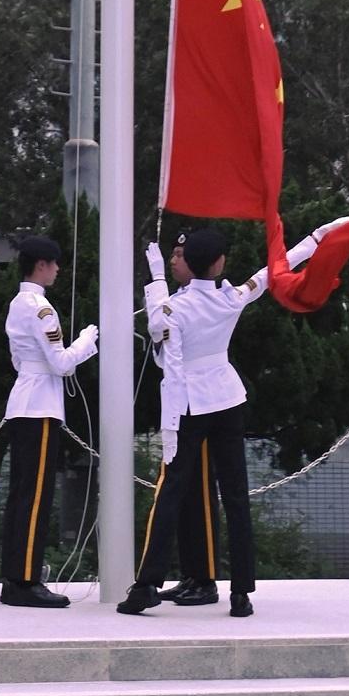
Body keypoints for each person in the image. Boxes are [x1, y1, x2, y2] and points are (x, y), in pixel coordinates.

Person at [119, 215, 349, 620]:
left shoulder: (176, 306)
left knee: (171, 492)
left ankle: (145, 586)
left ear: (191, 263)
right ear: (217, 264)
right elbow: (274, 271)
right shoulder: (232, 297)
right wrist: (318, 236)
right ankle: (241, 594)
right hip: (227, 400)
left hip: (190, 404)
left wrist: (156, 274)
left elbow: (159, 326)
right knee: (235, 497)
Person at [0, 235, 97, 607]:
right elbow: (61, 363)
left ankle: (15, 578)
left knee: (22, 496)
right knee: (35, 497)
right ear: (41, 265)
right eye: (54, 264)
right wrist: (87, 341)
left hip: (25, 400)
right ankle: (26, 581)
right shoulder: (41, 308)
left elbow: (18, 358)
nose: (58, 270)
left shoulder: (17, 303)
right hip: (40, 406)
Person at [142, 237, 224, 606]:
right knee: (188, 495)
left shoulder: (208, 298)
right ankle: (193, 574)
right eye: (173, 255)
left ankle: (205, 577)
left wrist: (156, 281)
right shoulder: (177, 301)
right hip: (183, 404)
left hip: (202, 405)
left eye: (180, 255)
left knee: (201, 495)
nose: (176, 260)